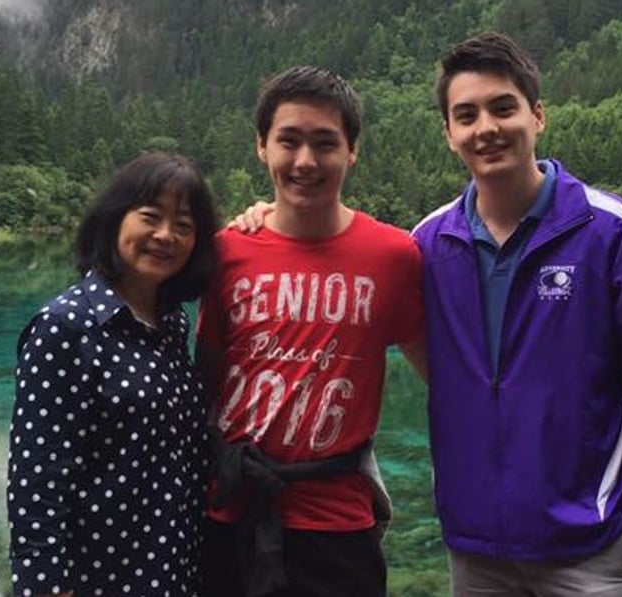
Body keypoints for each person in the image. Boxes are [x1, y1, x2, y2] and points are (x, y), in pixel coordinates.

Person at [409, 32, 622, 596]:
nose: (486, 128)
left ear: (537, 115)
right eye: (465, 115)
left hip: (592, 553)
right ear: (449, 134)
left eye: (503, 107)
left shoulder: (609, 230)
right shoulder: (428, 244)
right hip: (475, 553)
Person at [195, 65, 424, 597]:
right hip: (228, 508)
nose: (305, 161)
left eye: (324, 143)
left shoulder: (393, 255)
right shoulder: (226, 250)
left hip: (336, 524)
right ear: (260, 146)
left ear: (352, 151)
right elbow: (204, 378)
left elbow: (445, 374)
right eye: (288, 141)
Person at [7, 152, 220, 597]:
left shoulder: (170, 323)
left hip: (173, 569)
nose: (165, 235)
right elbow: (37, 479)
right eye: (150, 217)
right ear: (114, 219)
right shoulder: (66, 326)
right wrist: (48, 587)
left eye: (183, 225)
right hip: (100, 578)